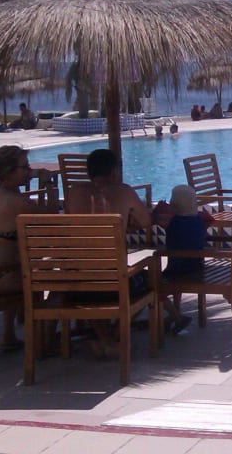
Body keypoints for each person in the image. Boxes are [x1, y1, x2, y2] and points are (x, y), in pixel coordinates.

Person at [62, 148, 154, 357]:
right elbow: (146, 222)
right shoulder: (124, 191)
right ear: (114, 171)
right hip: (115, 286)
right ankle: (112, 337)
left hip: (75, 285)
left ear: (89, 172)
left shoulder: (74, 192)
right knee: (151, 279)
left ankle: (104, 339)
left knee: (92, 279)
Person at [0, 145, 51, 350]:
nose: (29, 171)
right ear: (8, 171)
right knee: (46, 276)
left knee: (13, 261)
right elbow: (51, 221)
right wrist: (49, 186)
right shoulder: (15, 202)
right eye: (25, 167)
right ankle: (43, 341)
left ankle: (8, 335)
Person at [157, 184, 206, 333]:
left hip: (177, 269)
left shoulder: (174, 222)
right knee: (175, 278)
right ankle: (175, 312)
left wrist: (159, 210)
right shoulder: (199, 220)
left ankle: (176, 316)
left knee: (152, 287)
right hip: (196, 267)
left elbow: (157, 221)